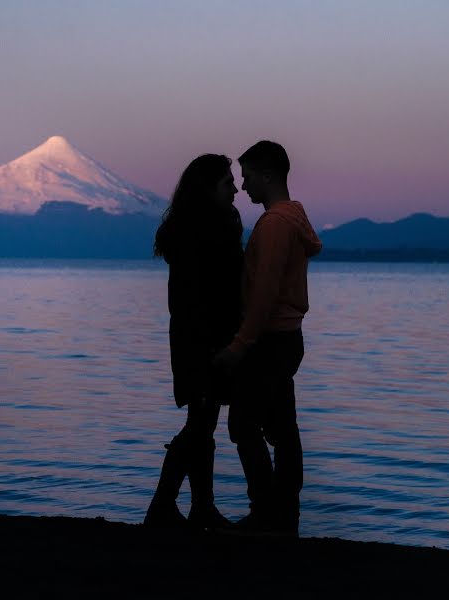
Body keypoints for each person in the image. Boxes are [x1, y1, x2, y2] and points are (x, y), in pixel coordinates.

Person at [214, 141, 322, 536]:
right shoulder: (292, 218)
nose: (242, 186)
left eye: (246, 177)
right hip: (287, 338)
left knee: (243, 425)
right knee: (282, 427)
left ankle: (265, 513)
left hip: (270, 340)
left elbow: (264, 292)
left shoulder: (275, 224)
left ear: (267, 175)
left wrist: (240, 345)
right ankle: (285, 516)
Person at [144, 154, 244, 530]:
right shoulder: (200, 233)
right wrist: (215, 344)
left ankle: (199, 506)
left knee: (203, 421)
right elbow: (200, 297)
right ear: (208, 187)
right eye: (226, 182)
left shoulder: (194, 229)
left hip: (196, 339)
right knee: (201, 423)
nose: (234, 188)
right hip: (203, 341)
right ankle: (164, 505)